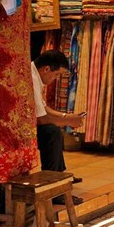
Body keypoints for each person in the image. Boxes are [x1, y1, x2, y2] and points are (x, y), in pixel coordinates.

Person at [32, 50, 86, 203]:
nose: (55, 79)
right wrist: (68, 121)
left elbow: (43, 108)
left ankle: (58, 176)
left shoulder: (36, 75)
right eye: (56, 75)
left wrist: (66, 117)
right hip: (17, 128)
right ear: (46, 69)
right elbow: (41, 119)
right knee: (51, 132)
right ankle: (53, 188)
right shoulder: (32, 77)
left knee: (54, 130)